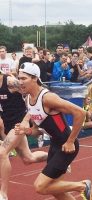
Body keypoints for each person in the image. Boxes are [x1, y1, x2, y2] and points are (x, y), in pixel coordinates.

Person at [16, 62, 92, 200]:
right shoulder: (28, 98)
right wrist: (26, 131)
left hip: (67, 147)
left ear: (35, 78)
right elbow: (38, 130)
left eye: (23, 78)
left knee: (40, 186)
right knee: (56, 189)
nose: (19, 82)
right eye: (19, 78)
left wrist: (70, 141)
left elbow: (80, 113)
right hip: (55, 146)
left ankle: (82, 186)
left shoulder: (47, 97)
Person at [0, 70, 48, 200]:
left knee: (2, 153)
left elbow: (34, 93)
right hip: (8, 124)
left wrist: (28, 119)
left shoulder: (10, 82)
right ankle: (54, 157)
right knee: (28, 159)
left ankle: (3, 194)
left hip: (19, 124)